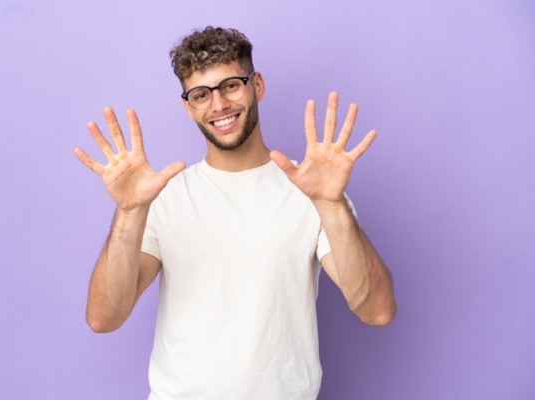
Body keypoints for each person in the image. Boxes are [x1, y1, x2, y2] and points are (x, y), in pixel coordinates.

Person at [75, 26, 396, 400]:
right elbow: (104, 318)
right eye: (201, 94)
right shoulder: (163, 199)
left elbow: (377, 311)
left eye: (230, 85)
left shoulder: (313, 192)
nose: (218, 105)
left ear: (256, 85)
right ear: (188, 107)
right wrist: (129, 211)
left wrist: (331, 204)